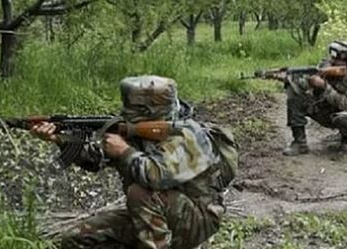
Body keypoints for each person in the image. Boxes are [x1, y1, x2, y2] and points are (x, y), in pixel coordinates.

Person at [30, 75, 238, 249]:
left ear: (149, 112)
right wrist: (59, 139)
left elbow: (155, 176)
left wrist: (125, 151)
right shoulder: (135, 130)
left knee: (140, 193)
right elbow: (94, 159)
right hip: (155, 217)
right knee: (77, 238)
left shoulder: (189, 136)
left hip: (196, 221)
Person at [284, 40, 347, 156]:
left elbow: (345, 103)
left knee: (345, 118)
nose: (332, 60)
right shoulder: (326, 67)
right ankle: (300, 143)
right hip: (322, 109)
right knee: (294, 93)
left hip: (343, 114)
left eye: (337, 58)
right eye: (332, 56)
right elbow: (305, 85)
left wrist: (324, 86)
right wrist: (294, 80)